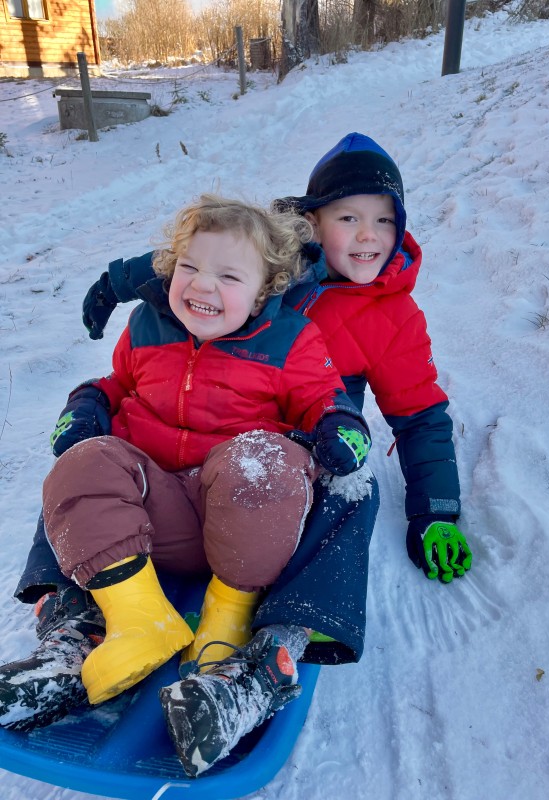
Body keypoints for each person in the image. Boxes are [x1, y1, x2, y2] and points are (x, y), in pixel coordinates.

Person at [1, 133, 473, 776]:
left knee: (350, 489)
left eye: (385, 220)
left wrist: (436, 508)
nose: (368, 235)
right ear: (308, 226)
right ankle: (75, 622)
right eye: (347, 217)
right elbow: (201, 258)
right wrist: (120, 281)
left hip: (289, 450)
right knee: (88, 459)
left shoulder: (386, 316)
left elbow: (419, 413)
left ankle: (271, 650)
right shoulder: (256, 263)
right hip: (179, 467)